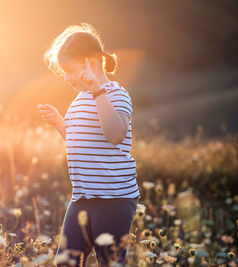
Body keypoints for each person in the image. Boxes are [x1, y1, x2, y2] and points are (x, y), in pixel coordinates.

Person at [38, 23, 140, 266]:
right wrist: (59, 124)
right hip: (82, 196)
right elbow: (79, 141)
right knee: (66, 261)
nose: (67, 78)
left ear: (92, 63)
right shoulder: (80, 99)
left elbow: (115, 134)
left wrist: (97, 91)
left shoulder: (116, 94)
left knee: (110, 261)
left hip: (113, 198)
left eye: (71, 70)